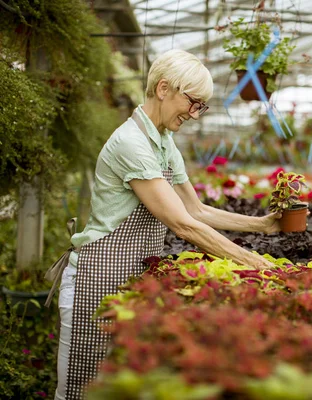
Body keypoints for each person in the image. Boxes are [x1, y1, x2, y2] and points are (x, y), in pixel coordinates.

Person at [53, 49, 281, 400]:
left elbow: (196, 210)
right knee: (82, 390)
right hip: (96, 284)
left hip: (129, 282)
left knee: (121, 388)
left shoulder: (163, 142)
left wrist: (263, 225)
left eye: (201, 106)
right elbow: (183, 225)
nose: (195, 114)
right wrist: (255, 264)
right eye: (193, 103)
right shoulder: (132, 142)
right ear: (163, 89)